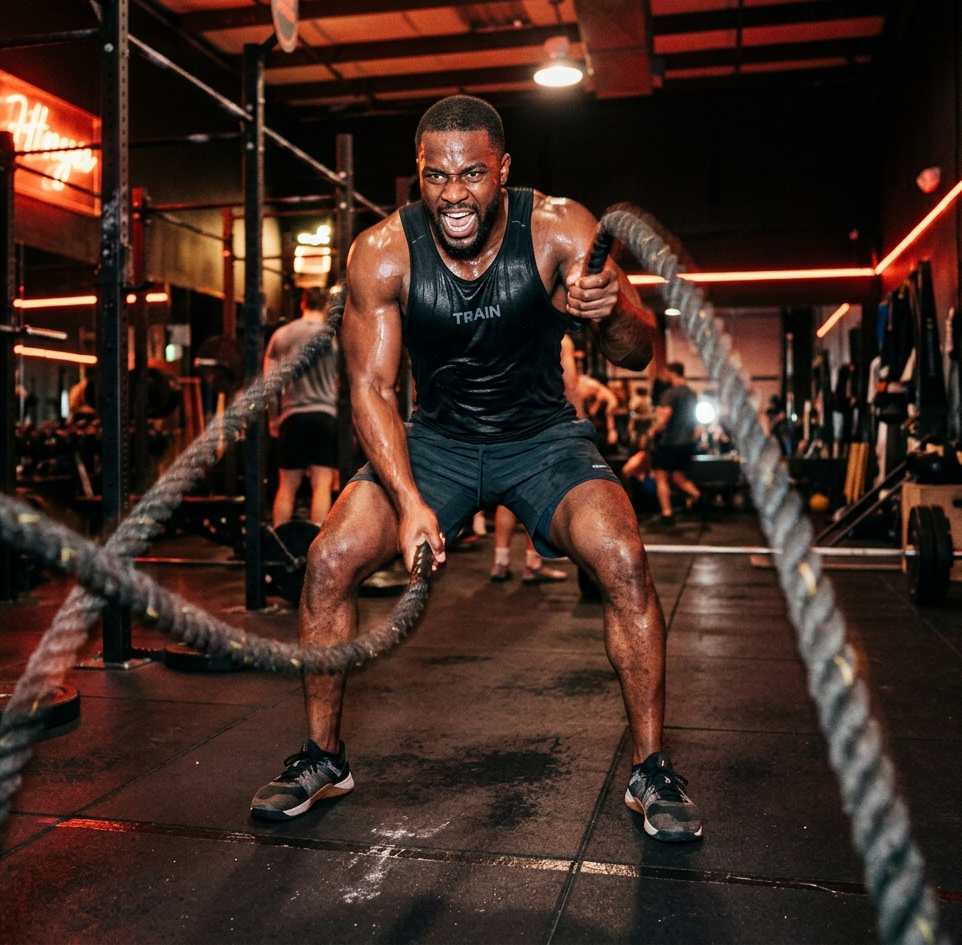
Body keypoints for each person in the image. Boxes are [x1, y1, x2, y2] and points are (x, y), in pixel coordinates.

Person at [250, 95, 703, 842]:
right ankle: (323, 759)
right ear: (418, 174)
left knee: (622, 558)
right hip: (437, 443)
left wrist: (610, 312)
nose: (453, 194)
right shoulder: (382, 252)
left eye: (471, 174)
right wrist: (409, 501)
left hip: (543, 438)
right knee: (328, 560)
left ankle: (651, 770)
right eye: (436, 176)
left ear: (502, 171)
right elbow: (371, 391)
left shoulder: (560, 227)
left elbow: (636, 351)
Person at [490, 333, 583, 583]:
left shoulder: (507, 327)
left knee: (506, 493)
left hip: (504, 421)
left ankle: (500, 562)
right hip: (539, 420)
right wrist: (581, 425)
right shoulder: (561, 338)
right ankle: (533, 564)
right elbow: (570, 383)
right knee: (537, 492)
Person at [265, 287, 339, 527]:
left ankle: (279, 543)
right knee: (322, 484)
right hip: (325, 416)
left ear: (302, 304)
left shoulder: (282, 335)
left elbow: (270, 383)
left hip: (293, 416)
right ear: (326, 306)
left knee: (287, 486)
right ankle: (317, 541)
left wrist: (273, 419)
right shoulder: (332, 337)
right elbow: (341, 381)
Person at [648, 362, 701, 525]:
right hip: (687, 442)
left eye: (666, 373)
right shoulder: (692, 394)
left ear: (672, 373)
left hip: (670, 441)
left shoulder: (670, 393)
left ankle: (667, 515)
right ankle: (700, 499)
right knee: (679, 477)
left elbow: (665, 416)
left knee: (661, 476)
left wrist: (652, 431)